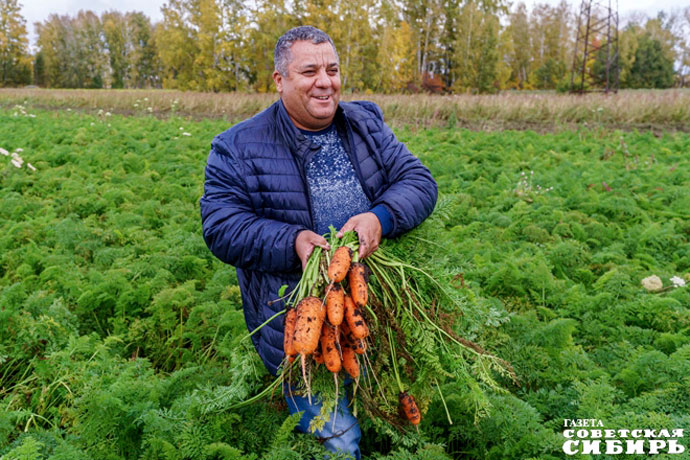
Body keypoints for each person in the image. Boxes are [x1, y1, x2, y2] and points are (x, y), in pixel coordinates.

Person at [200, 25, 437, 459]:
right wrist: (291, 241)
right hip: (301, 327)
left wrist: (379, 218)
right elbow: (220, 226)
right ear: (280, 80)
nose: (325, 81)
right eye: (309, 71)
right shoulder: (237, 146)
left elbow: (419, 182)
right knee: (339, 441)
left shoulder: (364, 123)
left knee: (382, 409)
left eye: (332, 68)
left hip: (369, 313)